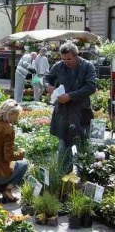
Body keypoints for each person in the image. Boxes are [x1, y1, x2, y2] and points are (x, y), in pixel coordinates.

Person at [44, 42, 97, 171]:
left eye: (69, 59)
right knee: (63, 147)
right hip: (63, 112)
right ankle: (63, 179)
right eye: (63, 59)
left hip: (81, 111)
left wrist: (70, 96)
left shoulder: (87, 66)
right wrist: (48, 87)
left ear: (76, 55)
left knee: (82, 146)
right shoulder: (58, 66)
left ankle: (84, 177)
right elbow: (46, 78)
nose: (66, 61)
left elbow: (91, 87)